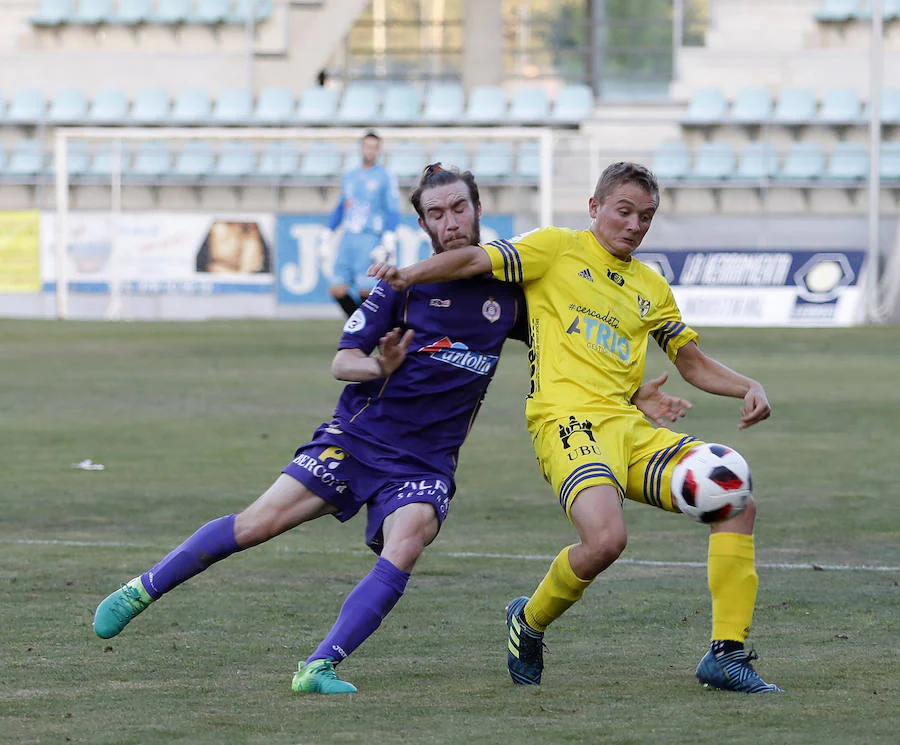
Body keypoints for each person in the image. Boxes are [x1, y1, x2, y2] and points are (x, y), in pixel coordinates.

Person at [92, 163, 687, 695]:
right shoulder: (402, 286)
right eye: (437, 213)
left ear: (478, 211)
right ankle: (144, 587)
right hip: (357, 441)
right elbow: (341, 361)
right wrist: (378, 365)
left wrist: (632, 391)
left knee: (408, 539)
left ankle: (319, 666)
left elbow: (569, 348)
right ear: (424, 223)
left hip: (426, 464)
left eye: (460, 208)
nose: (451, 221)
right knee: (256, 524)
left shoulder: (511, 294)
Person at [369, 161, 783, 694]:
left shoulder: (650, 286)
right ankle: (530, 620)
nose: (634, 225)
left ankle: (726, 654)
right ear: (595, 208)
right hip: (565, 422)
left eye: (646, 217)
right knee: (607, 539)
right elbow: (473, 258)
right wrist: (405, 274)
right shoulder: (555, 248)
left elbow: (692, 362)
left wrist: (748, 385)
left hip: (630, 429)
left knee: (734, 497)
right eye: (624, 211)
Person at [320, 130, 400, 318]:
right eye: (367, 146)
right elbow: (341, 206)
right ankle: (361, 325)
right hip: (348, 238)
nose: (369, 151)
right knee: (337, 289)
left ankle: (365, 329)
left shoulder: (385, 177)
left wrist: (389, 235)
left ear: (378, 150)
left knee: (367, 290)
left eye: (374, 147)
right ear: (361, 148)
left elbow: (392, 209)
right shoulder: (350, 176)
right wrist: (328, 232)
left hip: (369, 236)